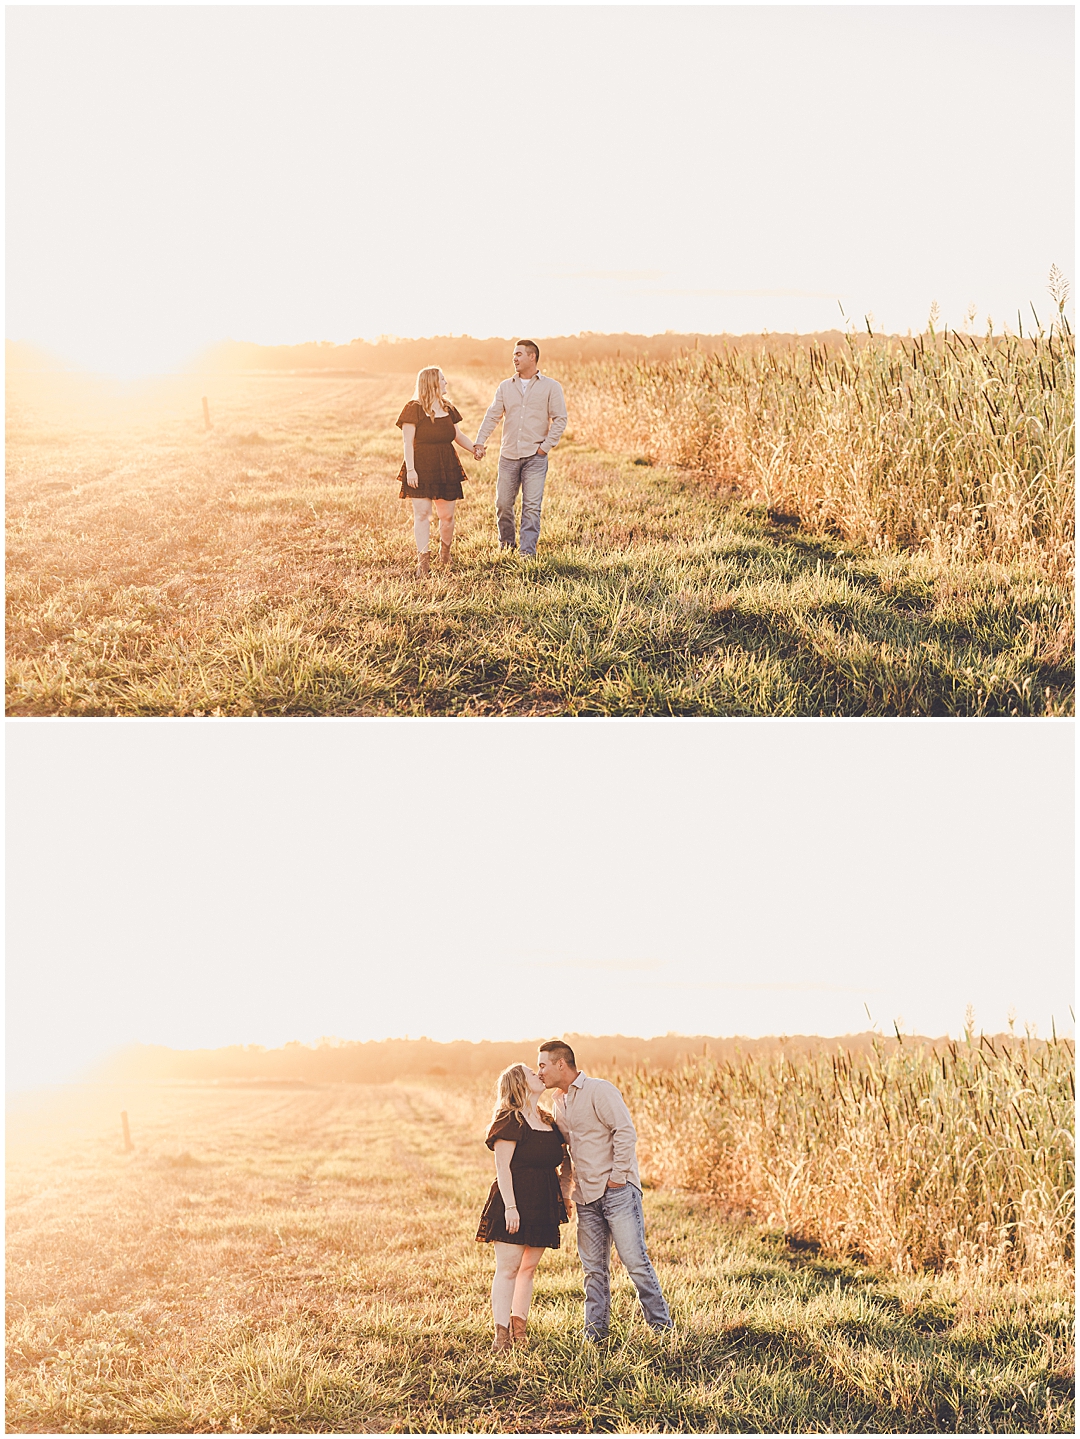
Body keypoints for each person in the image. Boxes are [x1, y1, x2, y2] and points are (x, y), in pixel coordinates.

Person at [537, 1039, 673, 1343]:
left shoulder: (600, 1090)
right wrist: (566, 1191)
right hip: (585, 1196)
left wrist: (617, 1177)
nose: (540, 1071)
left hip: (617, 1192)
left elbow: (625, 1131)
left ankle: (663, 1331)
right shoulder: (558, 1102)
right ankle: (595, 1337)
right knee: (593, 1272)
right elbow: (567, 1152)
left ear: (561, 1064)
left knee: (635, 1263)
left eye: (543, 1064)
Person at [475, 1063, 569, 1353]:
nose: (538, 1075)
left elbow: (564, 1159)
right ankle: (501, 1339)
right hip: (513, 1201)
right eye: (531, 1073)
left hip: (543, 1202)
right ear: (519, 1083)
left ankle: (520, 1334)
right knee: (508, 1269)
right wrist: (511, 1208)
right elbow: (502, 1167)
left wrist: (565, 1194)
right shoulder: (509, 1119)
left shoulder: (548, 1120)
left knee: (528, 1269)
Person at [474, 341, 567, 557]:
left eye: (518, 354)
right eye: (513, 354)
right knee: (503, 504)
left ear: (532, 356)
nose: (514, 358)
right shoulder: (506, 386)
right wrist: (480, 441)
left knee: (532, 507)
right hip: (508, 456)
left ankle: (527, 552)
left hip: (535, 457)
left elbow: (560, 419)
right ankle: (506, 546)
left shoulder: (551, 387)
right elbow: (492, 416)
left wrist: (545, 447)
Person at [396, 368, 481, 577]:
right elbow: (407, 441)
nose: (446, 382)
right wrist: (411, 470)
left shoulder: (448, 408)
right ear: (432, 383)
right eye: (443, 379)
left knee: (447, 516)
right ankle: (423, 562)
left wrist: (475, 449)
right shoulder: (413, 409)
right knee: (422, 515)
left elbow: (457, 435)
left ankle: (445, 553)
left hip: (446, 465)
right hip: (421, 465)